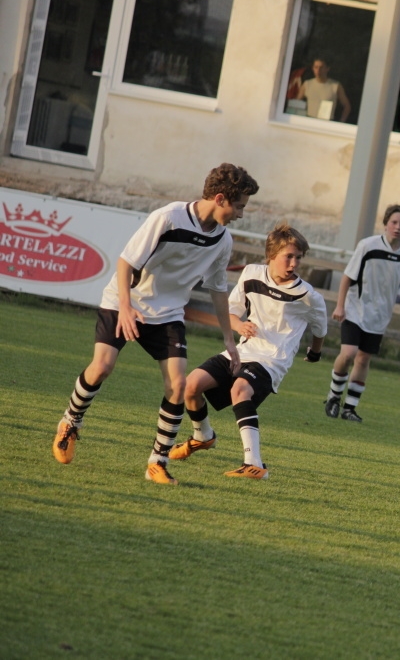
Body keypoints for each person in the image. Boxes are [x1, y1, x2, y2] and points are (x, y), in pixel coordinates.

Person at [52, 163, 259, 485]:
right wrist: (124, 307)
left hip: (168, 314)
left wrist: (230, 339)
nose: (241, 214)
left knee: (177, 385)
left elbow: (219, 290)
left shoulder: (223, 240)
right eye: (240, 206)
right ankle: (70, 422)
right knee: (102, 367)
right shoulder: (168, 217)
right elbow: (126, 262)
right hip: (124, 301)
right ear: (220, 198)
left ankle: (157, 462)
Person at [169, 224, 328, 480]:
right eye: (289, 256)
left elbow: (320, 329)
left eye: (298, 257)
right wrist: (240, 324)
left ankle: (254, 464)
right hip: (243, 351)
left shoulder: (308, 296)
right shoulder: (252, 274)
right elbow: (230, 312)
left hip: (272, 360)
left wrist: (315, 353)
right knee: (190, 386)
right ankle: (203, 436)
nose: (294, 263)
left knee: (239, 390)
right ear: (271, 255)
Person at [324, 205, 400, 422]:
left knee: (363, 359)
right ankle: (333, 396)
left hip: (380, 315)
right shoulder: (367, 245)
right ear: (386, 223)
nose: (397, 227)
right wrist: (339, 306)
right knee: (348, 354)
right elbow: (348, 276)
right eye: (394, 222)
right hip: (355, 308)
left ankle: (349, 408)